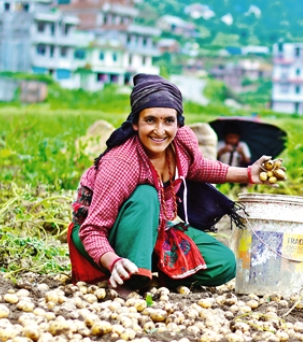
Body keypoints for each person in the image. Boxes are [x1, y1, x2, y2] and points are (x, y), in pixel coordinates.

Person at [68, 74, 274, 296]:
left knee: (224, 263)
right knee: (145, 194)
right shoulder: (122, 163)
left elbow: (197, 168)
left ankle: (151, 270)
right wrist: (113, 261)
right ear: (135, 123)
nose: (160, 130)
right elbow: (92, 229)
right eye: (150, 120)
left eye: (168, 120)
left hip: (156, 228)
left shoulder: (181, 142)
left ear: (178, 122)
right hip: (105, 237)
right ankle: (129, 280)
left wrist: (248, 173)